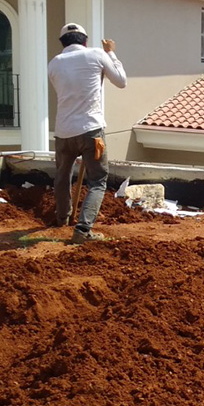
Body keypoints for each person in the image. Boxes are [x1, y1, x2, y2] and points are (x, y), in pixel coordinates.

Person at [47, 22, 127, 244]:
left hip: (63, 133)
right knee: (98, 180)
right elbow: (121, 81)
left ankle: (62, 219)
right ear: (85, 41)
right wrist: (111, 53)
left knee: (62, 178)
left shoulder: (53, 64)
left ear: (63, 42)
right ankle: (82, 230)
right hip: (92, 131)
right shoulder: (97, 54)